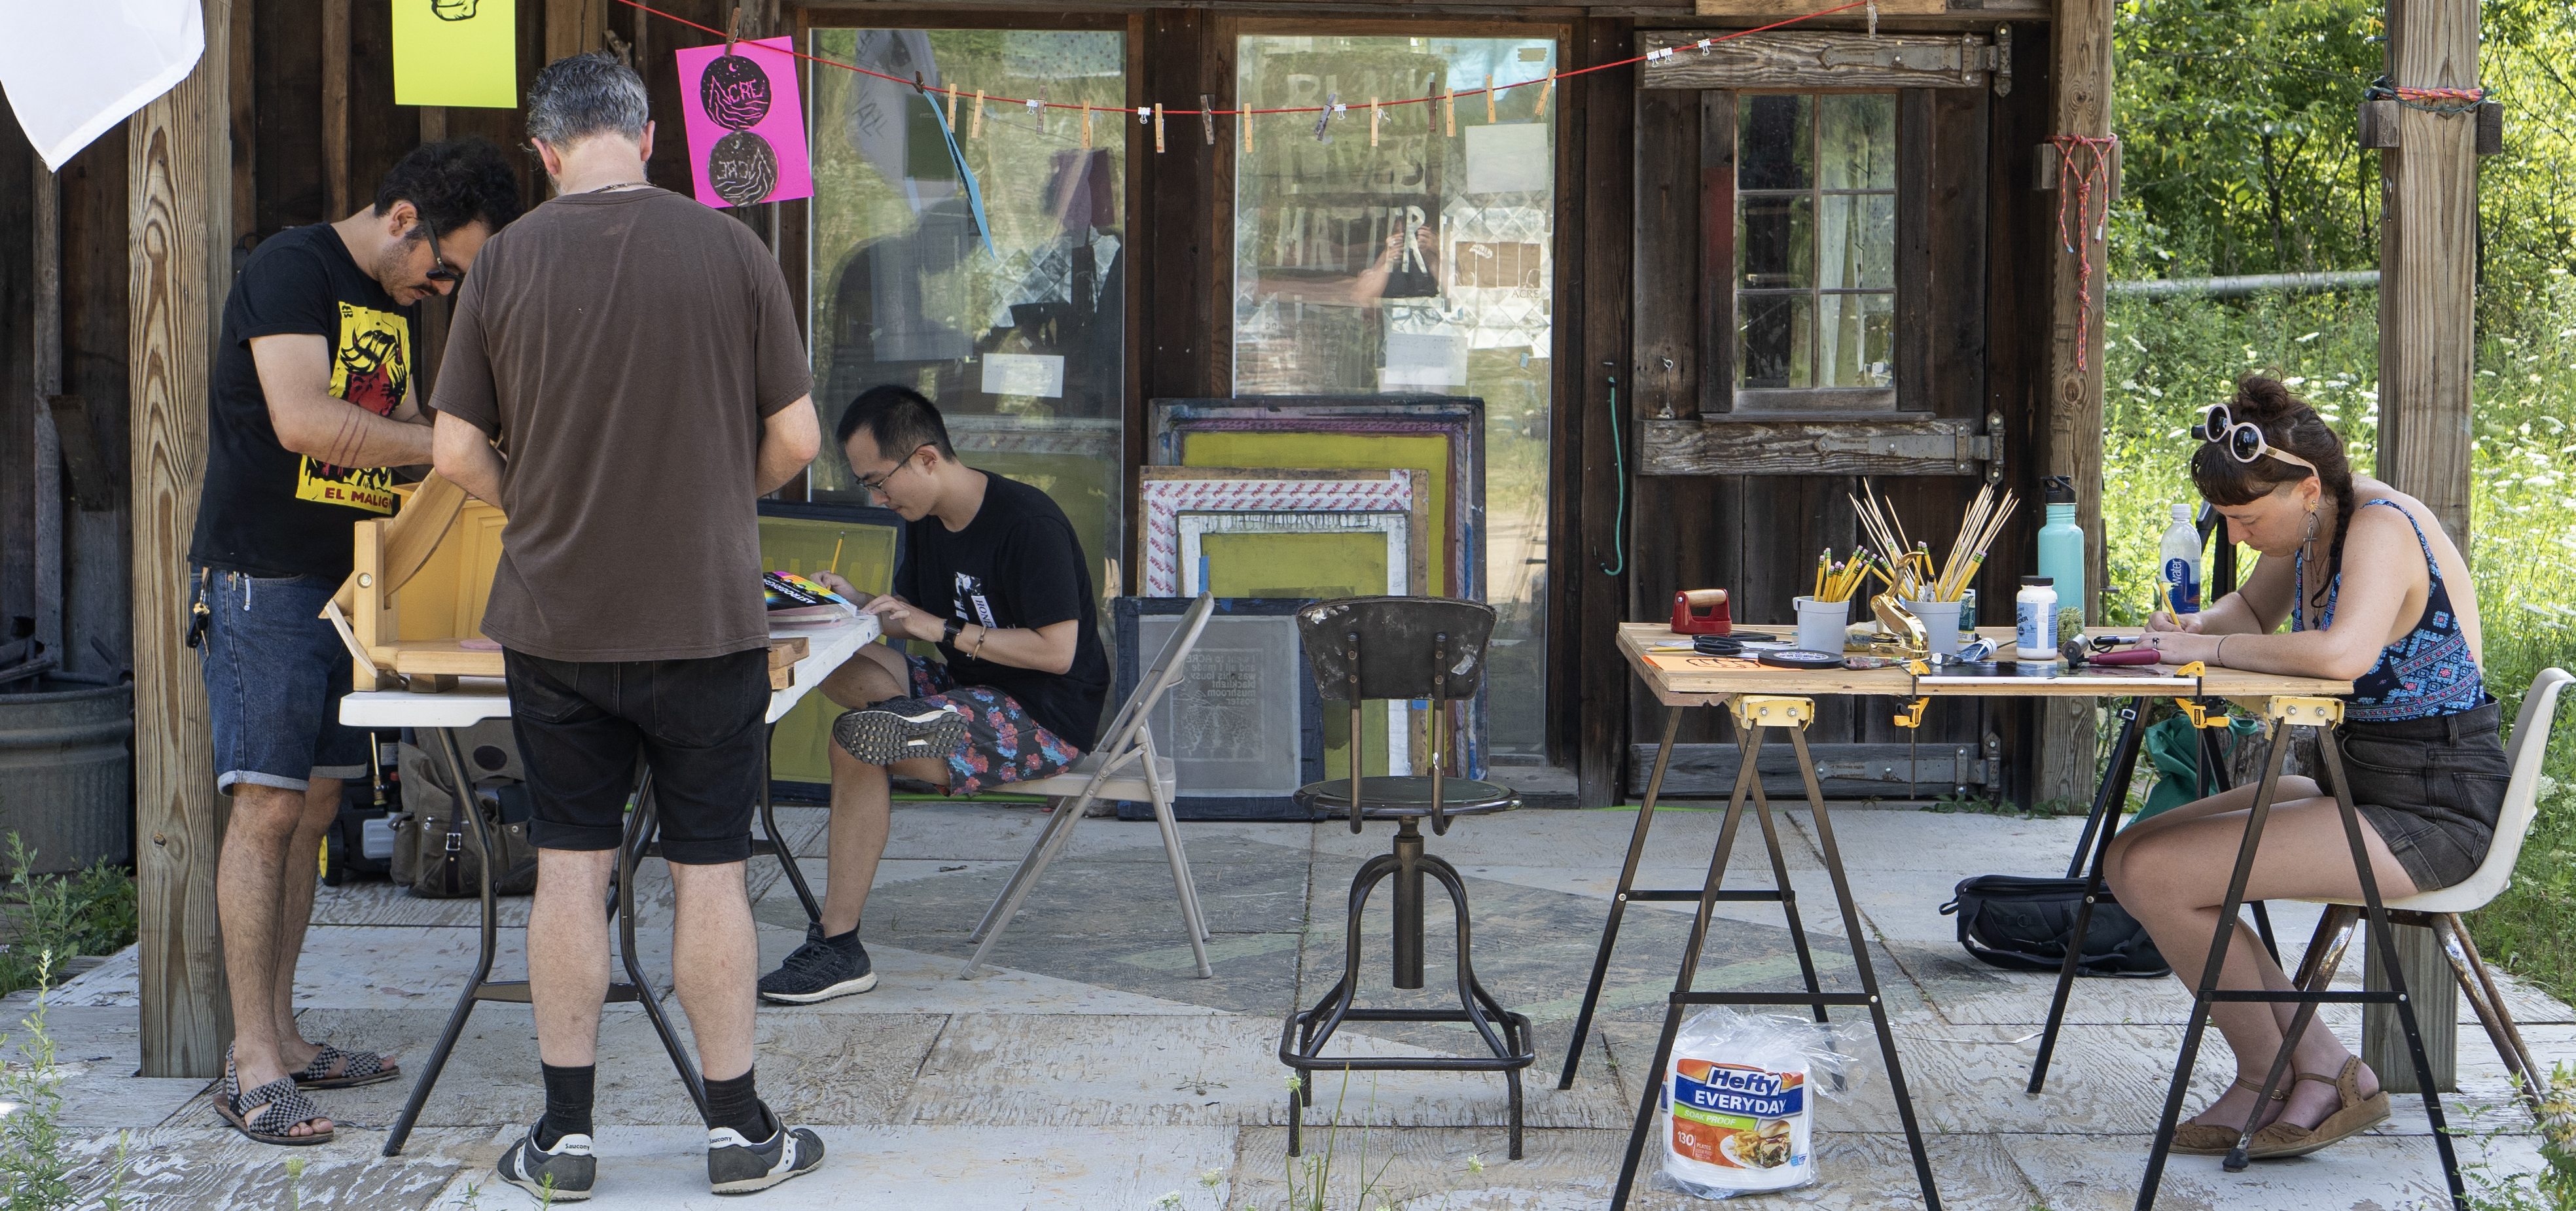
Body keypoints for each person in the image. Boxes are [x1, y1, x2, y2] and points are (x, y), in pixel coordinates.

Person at [427, 52, 825, 1199]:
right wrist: (713, 498)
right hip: (705, 615)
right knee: (708, 872)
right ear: (650, 139)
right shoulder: (730, 248)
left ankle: (565, 1140)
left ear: (544, 154)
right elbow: (796, 440)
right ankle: (739, 1132)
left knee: (569, 870)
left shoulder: (503, 261)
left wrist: (541, 504)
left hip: (557, 620)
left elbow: (456, 451)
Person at [190, 136, 522, 1146]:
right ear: (403, 218)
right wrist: (455, 449)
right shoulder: (291, 269)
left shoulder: (389, 302)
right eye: (445, 264)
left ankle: (286, 1036)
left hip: (350, 589)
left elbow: (406, 427)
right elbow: (304, 421)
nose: (445, 286)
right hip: (265, 580)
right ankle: (250, 1066)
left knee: (317, 805)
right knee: (264, 804)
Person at [2104, 374, 2508, 1161]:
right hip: (2354, 781)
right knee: (2130, 860)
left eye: (2248, 521)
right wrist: (2185, 627)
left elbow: (2341, 655)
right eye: (2226, 523)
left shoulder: (2380, 527)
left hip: (2432, 806)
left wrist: (2207, 650)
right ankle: (2305, 1066)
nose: (2240, 540)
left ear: (2308, 487)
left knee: (2159, 872)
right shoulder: (2310, 527)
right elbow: (2252, 614)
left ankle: (2285, 1071)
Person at [755, 385, 1109, 1004]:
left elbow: (1059, 653)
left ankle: (838, 946)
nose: (876, 497)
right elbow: (911, 619)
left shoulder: (1029, 523)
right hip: (970, 691)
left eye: (878, 481)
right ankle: (907, 726)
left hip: (1041, 716)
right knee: (832, 661)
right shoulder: (925, 522)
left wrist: (939, 630)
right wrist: (855, 602)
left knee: (856, 745)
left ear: (924, 458)